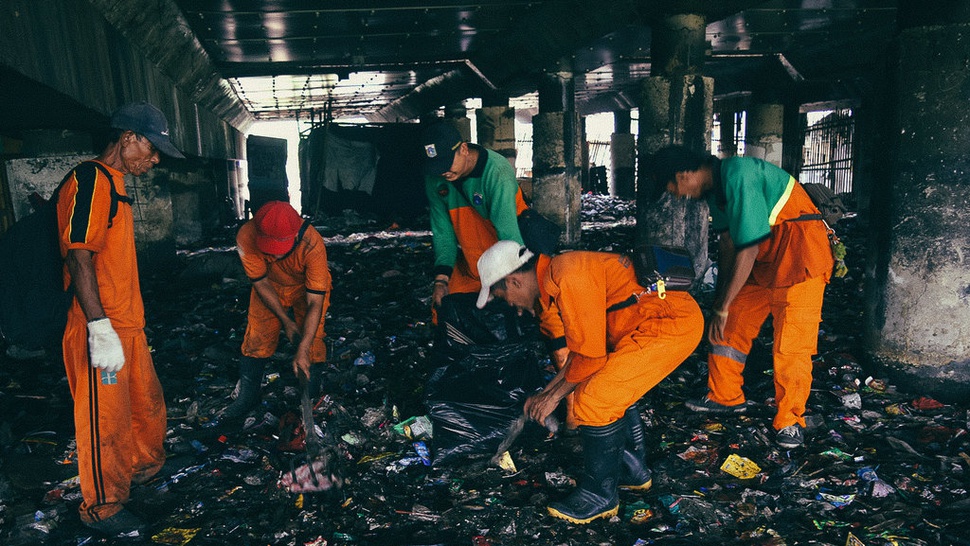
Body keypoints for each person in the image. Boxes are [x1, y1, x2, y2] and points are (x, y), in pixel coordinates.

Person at [476, 240, 704, 524]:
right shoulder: (561, 272)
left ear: (513, 281)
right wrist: (546, 393)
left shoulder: (566, 275)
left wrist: (553, 397)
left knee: (597, 397)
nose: (511, 305)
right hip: (651, 326)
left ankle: (600, 496)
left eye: (501, 296)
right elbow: (583, 353)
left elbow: (591, 359)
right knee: (601, 388)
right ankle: (632, 473)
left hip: (669, 325)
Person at [648, 145, 834, 449]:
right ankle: (725, 396)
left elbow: (747, 247)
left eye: (674, 189)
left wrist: (721, 304)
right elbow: (729, 245)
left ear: (684, 175)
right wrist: (723, 301)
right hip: (765, 258)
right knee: (730, 323)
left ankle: (790, 419)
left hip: (800, 254)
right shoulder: (716, 191)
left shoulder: (739, 174)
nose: (680, 196)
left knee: (792, 343)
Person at [57, 101, 184, 536]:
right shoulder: (91, 179)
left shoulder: (115, 184)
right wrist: (98, 327)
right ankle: (104, 507)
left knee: (146, 408)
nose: (154, 159)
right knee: (104, 420)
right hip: (102, 329)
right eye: (152, 149)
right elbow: (79, 256)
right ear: (128, 137)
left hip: (127, 326)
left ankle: (142, 472)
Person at [222, 200, 332, 420]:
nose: (273, 256)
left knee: (312, 339)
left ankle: (309, 397)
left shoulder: (312, 244)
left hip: (306, 290)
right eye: (269, 249)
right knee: (257, 338)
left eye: (279, 249)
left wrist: (302, 349)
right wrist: (286, 321)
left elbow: (315, 303)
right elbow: (260, 282)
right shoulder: (246, 235)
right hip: (270, 286)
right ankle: (248, 396)